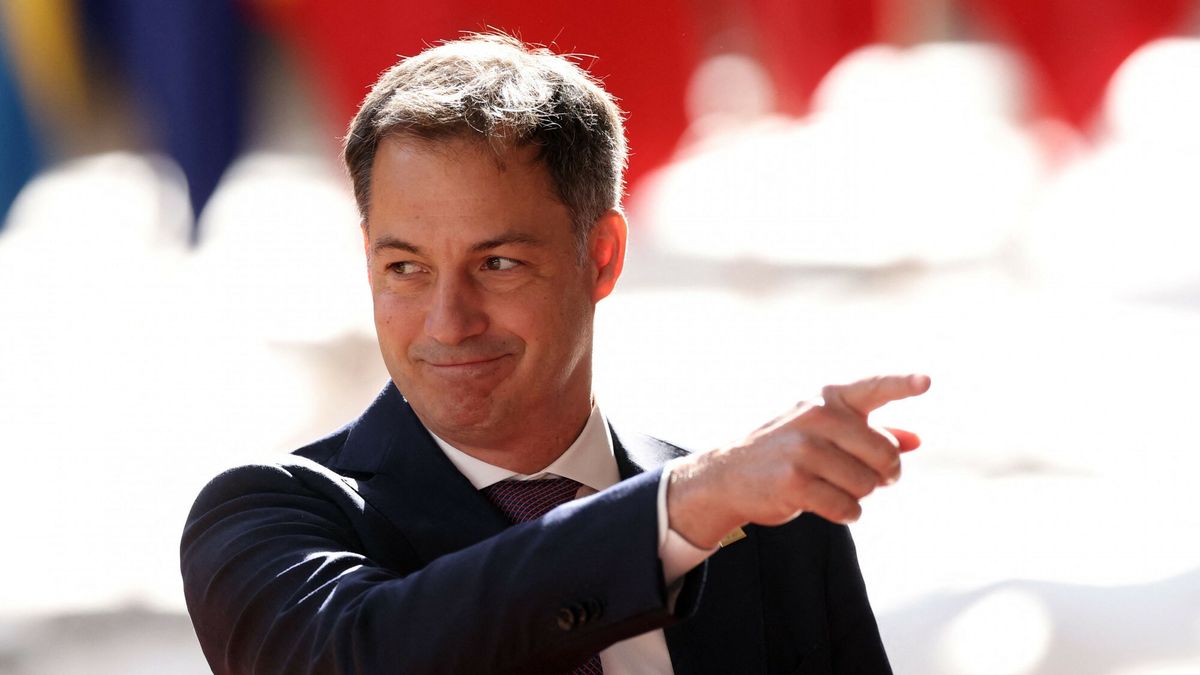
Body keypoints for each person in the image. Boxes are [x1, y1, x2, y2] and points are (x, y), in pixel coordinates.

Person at [180, 34, 930, 675]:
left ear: (600, 256)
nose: (448, 321)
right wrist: (680, 509)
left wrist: (698, 504)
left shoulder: (774, 535)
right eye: (405, 267)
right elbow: (363, 655)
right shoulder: (267, 514)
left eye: (497, 263)